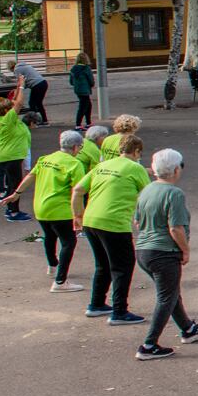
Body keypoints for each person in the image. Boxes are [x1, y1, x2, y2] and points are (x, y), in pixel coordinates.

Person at [132, 149, 198, 360]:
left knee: (170, 292)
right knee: (166, 297)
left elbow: (137, 220)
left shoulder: (147, 190)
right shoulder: (174, 193)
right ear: (176, 169)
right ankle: (149, 345)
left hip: (144, 249)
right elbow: (175, 227)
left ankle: (187, 328)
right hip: (164, 251)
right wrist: (185, 250)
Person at [73, 134, 148, 324]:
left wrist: (78, 215)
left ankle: (96, 303)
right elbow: (149, 195)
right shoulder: (135, 168)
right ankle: (119, 311)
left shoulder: (103, 165)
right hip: (114, 222)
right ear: (137, 151)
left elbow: (78, 190)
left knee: (103, 264)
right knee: (123, 266)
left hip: (91, 220)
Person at [4, 129, 87, 291]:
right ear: (76, 147)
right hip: (60, 210)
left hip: (41, 208)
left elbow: (30, 176)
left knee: (49, 236)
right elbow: (77, 192)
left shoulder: (45, 159)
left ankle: (52, 266)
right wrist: (79, 215)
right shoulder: (75, 164)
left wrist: (16, 194)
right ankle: (60, 282)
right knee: (69, 242)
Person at [0, 89, 30, 220]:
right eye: (11, 107)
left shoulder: (5, 117)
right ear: (6, 110)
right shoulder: (8, 118)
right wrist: (22, 88)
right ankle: (13, 212)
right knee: (15, 185)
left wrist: (18, 86)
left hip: (11, 156)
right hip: (11, 157)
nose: (14, 108)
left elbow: (15, 101)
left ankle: (10, 209)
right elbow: (19, 103)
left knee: (13, 183)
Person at [12, 58, 50, 123]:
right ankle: (44, 120)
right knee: (38, 103)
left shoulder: (17, 69)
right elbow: (27, 81)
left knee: (32, 103)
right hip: (43, 83)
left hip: (36, 85)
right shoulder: (25, 66)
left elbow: (20, 83)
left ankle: (34, 121)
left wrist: (16, 94)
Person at [67, 53, 94, 128]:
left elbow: (71, 82)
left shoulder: (73, 69)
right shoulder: (86, 68)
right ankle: (78, 125)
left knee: (88, 105)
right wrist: (91, 85)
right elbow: (91, 80)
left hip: (78, 90)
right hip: (85, 90)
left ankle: (88, 123)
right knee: (83, 107)